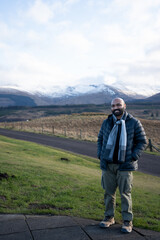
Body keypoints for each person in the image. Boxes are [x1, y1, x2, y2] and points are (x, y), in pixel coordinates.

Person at [97, 97, 147, 233]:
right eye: (113, 106)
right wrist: (100, 154)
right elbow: (100, 139)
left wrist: (133, 156)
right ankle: (109, 218)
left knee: (125, 193)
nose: (115, 107)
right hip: (108, 164)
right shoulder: (106, 122)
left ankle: (127, 221)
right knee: (108, 193)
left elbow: (142, 141)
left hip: (125, 165)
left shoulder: (134, 122)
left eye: (118, 105)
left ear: (125, 105)